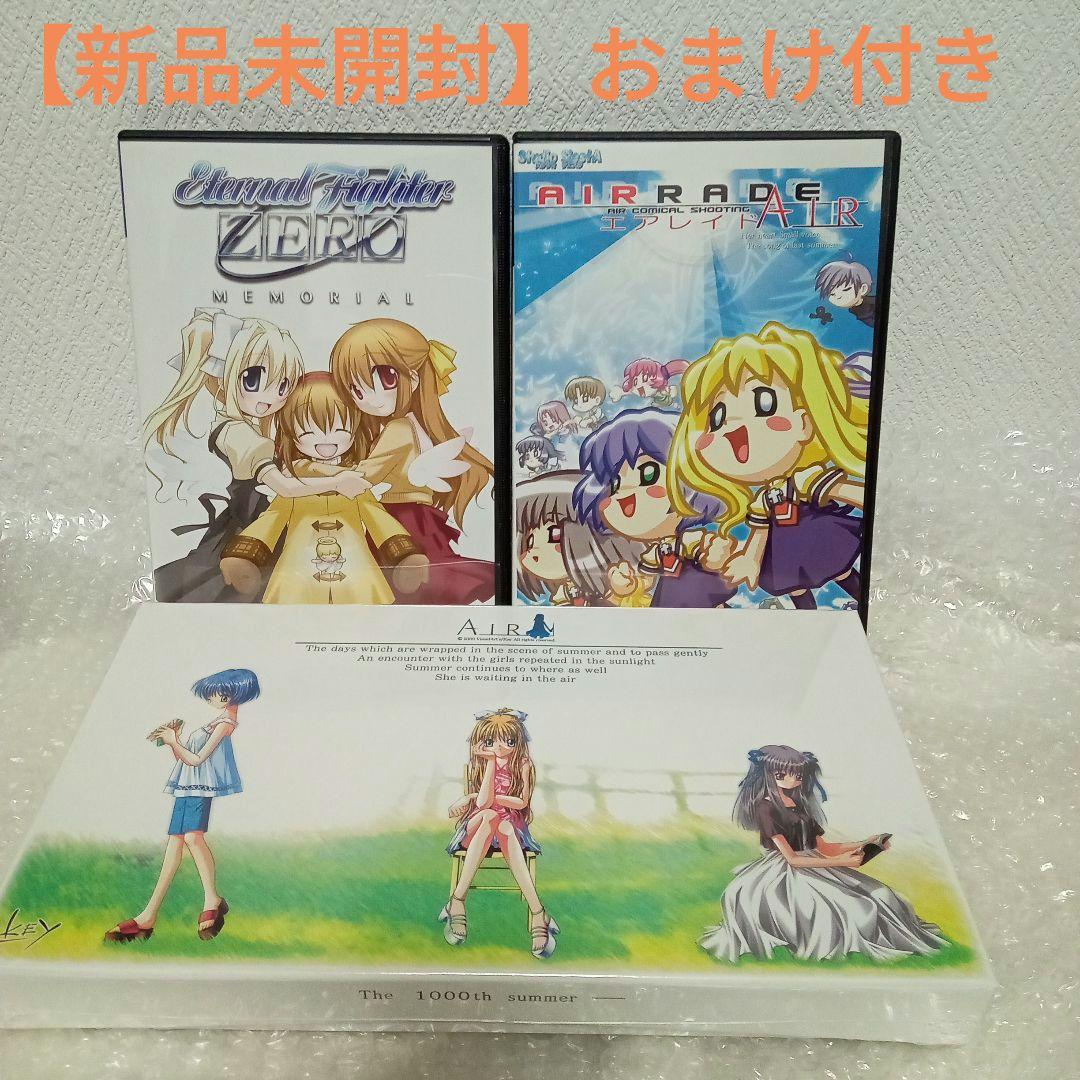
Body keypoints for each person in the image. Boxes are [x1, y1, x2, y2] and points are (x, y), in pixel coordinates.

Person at [144, 309, 370, 602]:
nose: (271, 397)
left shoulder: (241, 427)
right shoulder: (241, 435)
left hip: (251, 518)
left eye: (283, 386)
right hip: (251, 522)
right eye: (252, 380)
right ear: (225, 377)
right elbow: (285, 488)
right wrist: (337, 483)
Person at [669, 322, 867, 609]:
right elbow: (760, 531)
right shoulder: (763, 500)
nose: (733, 429)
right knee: (796, 589)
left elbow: (857, 496)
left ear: (804, 423)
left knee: (842, 571)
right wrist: (750, 560)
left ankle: (861, 607)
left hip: (818, 535)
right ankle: (806, 623)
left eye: (764, 404)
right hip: (784, 552)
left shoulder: (808, 478)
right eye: (718, 418)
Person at [700, 745, 946, 962]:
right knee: (853, 907)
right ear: (767, 775)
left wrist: (866, 843)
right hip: (786, 871)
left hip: (815, 861)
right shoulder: (766, 808)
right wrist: (843, 861)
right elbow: (792, 859)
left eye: (797, 774)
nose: (792, 780)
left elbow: (824, 848)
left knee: (883, 895)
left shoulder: (799, 804)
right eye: (782, 774)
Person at [218, 373, 428, 604]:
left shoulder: (355, 481)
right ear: (291, 435)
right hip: (298, 571)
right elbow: (272, 519)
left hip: (355, 569)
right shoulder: (295, 484)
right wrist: (245, 555)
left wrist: (404, 555)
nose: (325, 442)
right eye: (307, 432)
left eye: (340, 430)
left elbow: (378, 518)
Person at [328, 318, 495, 604]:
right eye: (356, 389)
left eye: (385, 378)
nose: (369, 398)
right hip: (415, 516)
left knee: (395, 589)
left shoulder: (399, 429)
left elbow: (367, 474)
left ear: (414, 378)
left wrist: (323, 477)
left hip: (400, 519)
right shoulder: (412, 424)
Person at [105, 668, 260, 943]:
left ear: (230, 694)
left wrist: (174, 741)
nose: (211, 698)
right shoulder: (215, 721)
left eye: (215, 693)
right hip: (187, 787)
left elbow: (198, 760)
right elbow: (186, 759)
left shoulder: (226, 723)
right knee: (174, 845)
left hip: (200, 788)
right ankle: (148, 915)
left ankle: (212, 899)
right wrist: (172, 742)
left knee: (191, 837)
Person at [441, 710, 559, 959]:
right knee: (488, 816)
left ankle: (458, 900)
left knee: (500, 823)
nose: (500, 747)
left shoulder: (523, 764)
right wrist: (490, 766)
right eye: (491, 741)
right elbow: (483, 804)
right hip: (477, 826)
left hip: (509, 825)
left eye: (509, 741)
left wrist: (476, 798)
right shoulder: (482, 763)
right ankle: (538, 914)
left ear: (519, 741)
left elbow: (521, 802)